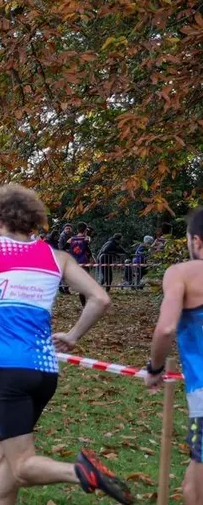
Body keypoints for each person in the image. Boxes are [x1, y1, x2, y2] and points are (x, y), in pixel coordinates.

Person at [0, 184, 131, 505]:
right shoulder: (58, 257)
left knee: (21, 466)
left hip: (10, 369)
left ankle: (81, 472)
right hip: (45, 371)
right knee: (5, 450)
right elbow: (100, 298)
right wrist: (74, 335)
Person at [146, 207, 203, 504]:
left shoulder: (182, 273)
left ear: (196, 242)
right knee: (192, 486)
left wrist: (154, 368)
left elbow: (166, 327)